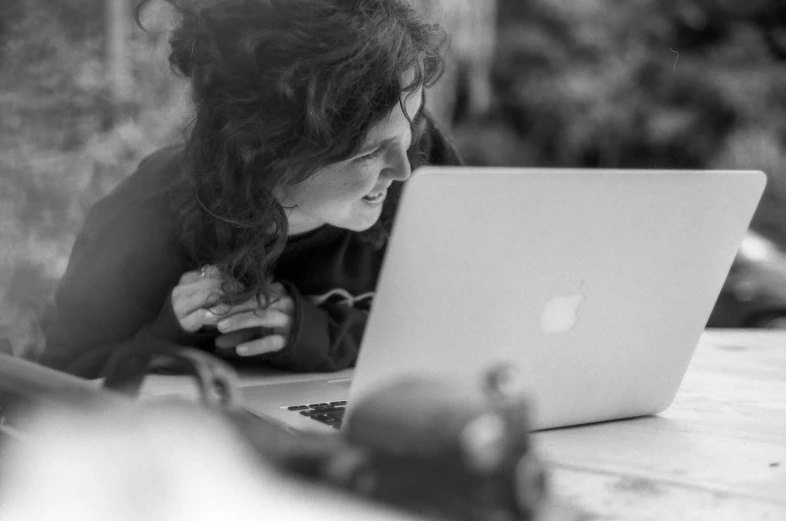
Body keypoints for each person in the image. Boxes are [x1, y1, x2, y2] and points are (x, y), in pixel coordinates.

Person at [39, 0, 462, 379]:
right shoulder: (142, 220)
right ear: (270, 152)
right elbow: (59, 385)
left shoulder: (427, 167)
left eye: (411, 125)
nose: (405, 170)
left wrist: (318, 333)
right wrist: (170, 334)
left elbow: (468, 329)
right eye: (367, 154)